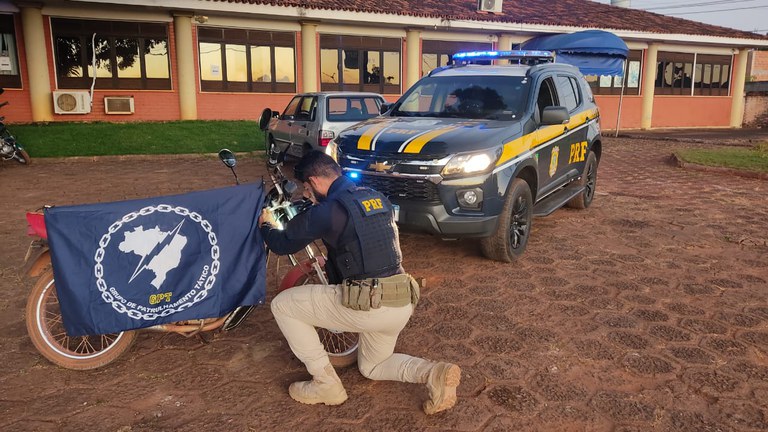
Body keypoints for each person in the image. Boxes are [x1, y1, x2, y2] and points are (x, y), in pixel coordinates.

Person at [259, 151, 461, 415]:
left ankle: (325, 384)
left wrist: (266, 225)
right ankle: (433, 372)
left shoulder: (328, 210)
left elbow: (281, 244)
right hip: (401, 302)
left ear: (314, 181)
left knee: (283, 305)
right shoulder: (376, 197)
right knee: (373, 366)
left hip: (370, 306)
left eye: (307, 190)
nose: (307, 196)